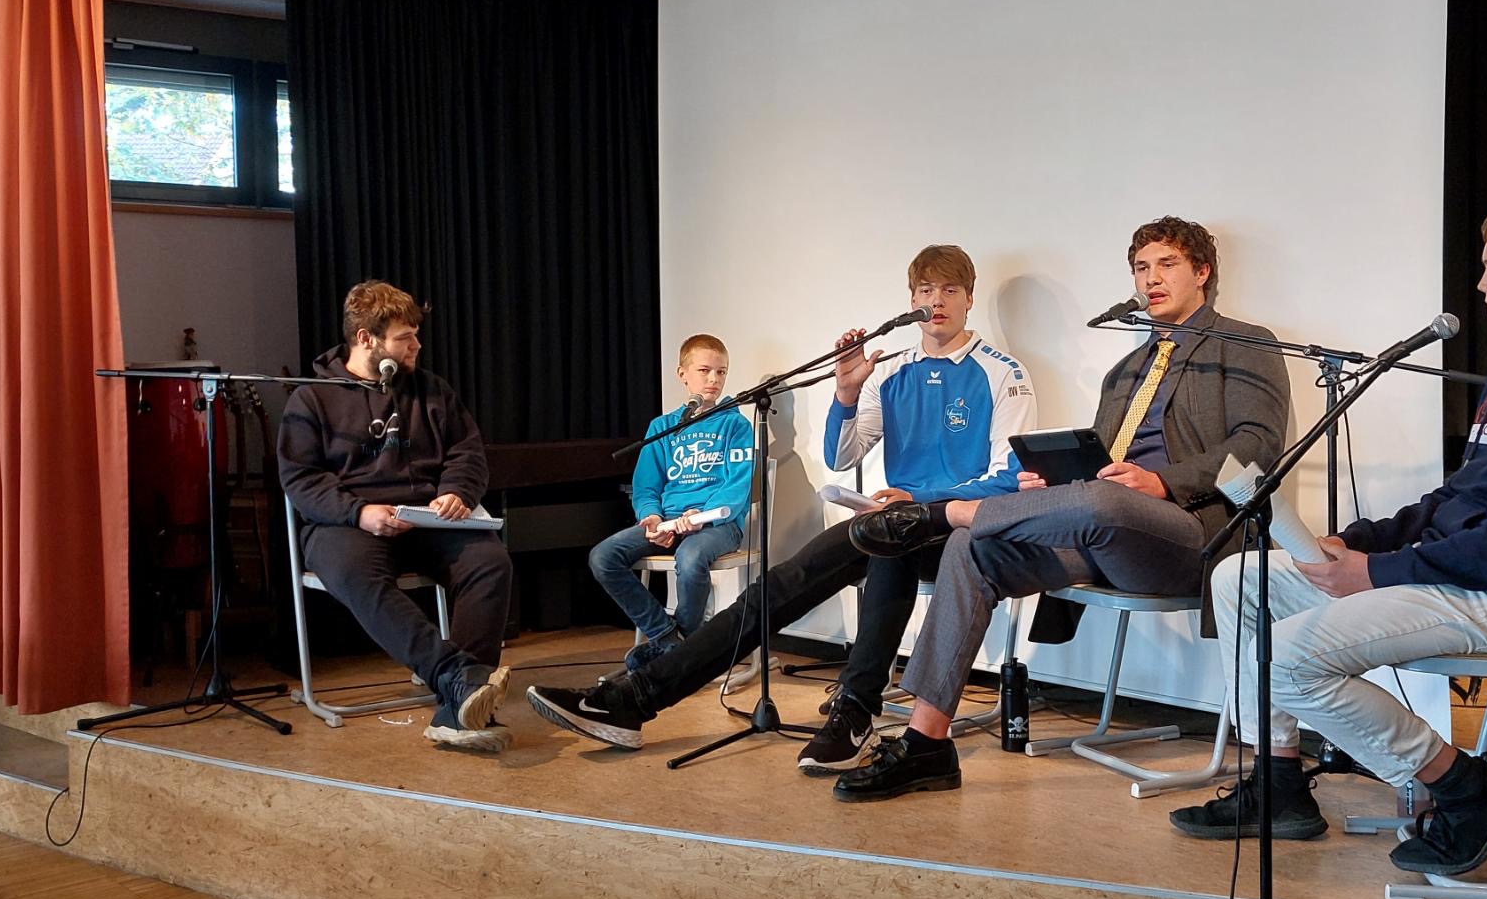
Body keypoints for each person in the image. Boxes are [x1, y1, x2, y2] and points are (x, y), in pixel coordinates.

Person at [1168, 196, 1487, 879]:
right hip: (1466, 577)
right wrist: (1358, 541)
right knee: (1239, 577)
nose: (1482, 285)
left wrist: (1379, 571)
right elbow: (1457, 499)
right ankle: (1279, 785)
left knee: (1286, 660)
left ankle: (1466, 787)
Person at [525, 245, 1037, 770]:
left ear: (969, 298)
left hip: (958, 531)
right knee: (785, 582)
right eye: (927, 290)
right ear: (910, 299)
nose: (937, 301)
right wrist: (844, 393)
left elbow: (1008, 480)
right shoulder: (892, 371)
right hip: (897, 524)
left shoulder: (1003, 372)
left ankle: (854, 707)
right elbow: (843, 457)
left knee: (890, 548)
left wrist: (920, 498)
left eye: (950, 290)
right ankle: (640, 698)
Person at [840, 217, 1291, 801]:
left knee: (1102, 497)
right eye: (1140, 268)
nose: (1149, 280)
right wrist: (1048, 486)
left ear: (1202, 272)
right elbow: (1101, 467)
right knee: (973, 545)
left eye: (1166, 265)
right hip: (1104, 532)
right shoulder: (1124, 370)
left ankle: (941, 511)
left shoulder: (1245, 344)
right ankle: (927, 745)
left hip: (1191, 533)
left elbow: (1258, 449)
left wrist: (1160, 482)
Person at [277, 280, 513, 753]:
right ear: (367, 339)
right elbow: (301, 480)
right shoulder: (311, 398)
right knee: (354, 574)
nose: (417, 345)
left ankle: (456, 710)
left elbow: (467, 452)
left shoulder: (432, 390)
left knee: (490, 564)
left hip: (427, 515)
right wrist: (359, 511)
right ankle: (455, 676)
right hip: (348, 523)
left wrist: (456, 492)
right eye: (406, 337)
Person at [589, 335, 756, 669]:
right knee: (603, 557)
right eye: (705, 370)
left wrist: (701, 515)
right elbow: (646, 487)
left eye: (721, 372)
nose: (714, 380)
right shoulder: (662, 427)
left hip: (716, 524)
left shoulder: (735, 425)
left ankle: (677, 656)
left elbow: (738, 486)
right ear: (682, 373)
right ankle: (672, 642)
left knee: (690, 556)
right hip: (668, 521)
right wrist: (651, 518)